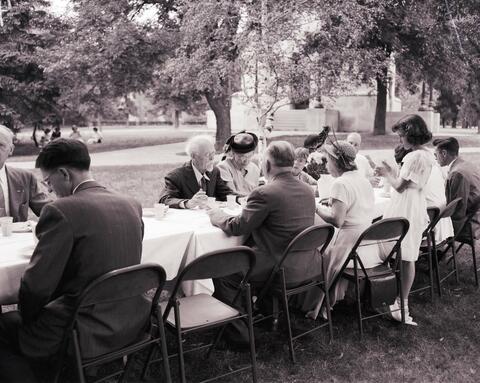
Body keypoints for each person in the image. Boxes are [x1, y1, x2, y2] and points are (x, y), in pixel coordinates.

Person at [0, 138, 146, 382]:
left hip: (81, 328)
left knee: (6, 325)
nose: (49, 190)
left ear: (63, 174)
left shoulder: (62, 210)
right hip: (132, 318)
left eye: (48, 182)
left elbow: (36, 287)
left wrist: (29, 320)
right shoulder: (132, 204)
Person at [207, 141, 316, 345]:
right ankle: (265, 316)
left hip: (278, 267)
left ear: (266, 164)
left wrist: (217, 216)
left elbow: (237, 227)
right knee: (252, 257)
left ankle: (239, 336)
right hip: (307, 264)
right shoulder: (308, 189)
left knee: (223, 272)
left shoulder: (266, 192)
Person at [307, 141, 380, 319]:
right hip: (367, 241)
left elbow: (337, 221)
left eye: (328, 161)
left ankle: (317, 303)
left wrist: (315, 208)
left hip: (349, 243)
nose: (326, 165)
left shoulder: (340, 183)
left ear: (336, 162)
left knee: (317, 253)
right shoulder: (362, 179)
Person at [375, 114, 434, 326]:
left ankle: (390, 296)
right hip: (415, 205)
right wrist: (392, 172)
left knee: (394, 249)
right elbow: (408, 182)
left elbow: (399, 186)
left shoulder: (413, 157)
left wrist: (385, 174)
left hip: (405, 206)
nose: (400, 140)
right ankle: (402, 300)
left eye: (401, 136)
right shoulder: (426, 155)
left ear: (411, 134)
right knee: (409, 256)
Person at [394, 144, 454, 243]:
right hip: (441, 221)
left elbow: (400, 193)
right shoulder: (434, 167)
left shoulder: (416, 174)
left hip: (429, 227)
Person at [159, 135, 235, 208]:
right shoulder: (175, 176)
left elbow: (225, 193)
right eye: (207, 154)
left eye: (213, 153)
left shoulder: (215, 171)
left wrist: (240, 199)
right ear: (193, 156)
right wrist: (188, 203)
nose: (212, 158)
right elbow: (165, 200)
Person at [0, 125, 51, 221]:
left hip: (15, 236)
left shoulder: (25, 178)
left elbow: (49, 211)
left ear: (11, 149)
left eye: (0, 145)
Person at [433, 137, 480, 239]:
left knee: (425, 222)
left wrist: (444, 234)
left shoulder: (457, 173)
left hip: (470, 223)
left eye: (435, 154)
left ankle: (434, 251)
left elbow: (457, 210)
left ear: (444, 153)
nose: (435, 158)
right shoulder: (464, 164)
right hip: (474, 216)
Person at [217, 131, 260, 196]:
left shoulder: (255, 169)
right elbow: (231, 193)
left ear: (253, 153)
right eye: (241, 157)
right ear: (233, 153)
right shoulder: (224, 167)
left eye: (249, 156)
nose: (245, 160)